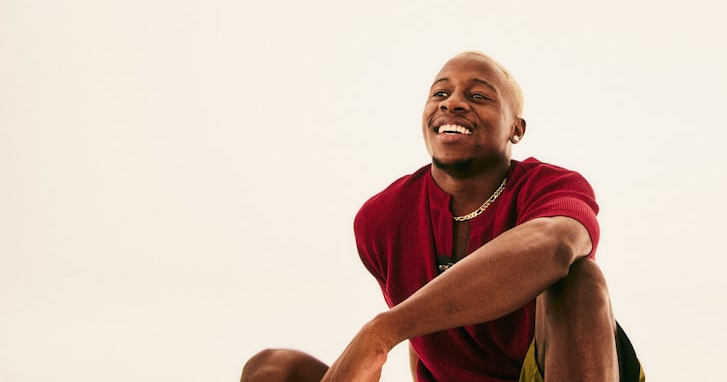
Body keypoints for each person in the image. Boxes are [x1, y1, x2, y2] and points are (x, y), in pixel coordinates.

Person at [241, 51, 643, 382]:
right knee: (273, 370)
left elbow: (553, 245)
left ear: (515, 129)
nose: (452, 103)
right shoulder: (382, 217)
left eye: (480, 96)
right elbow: (428, 338)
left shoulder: (553, 186)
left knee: (579, 280)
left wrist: (381, 333)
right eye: (440, 94)